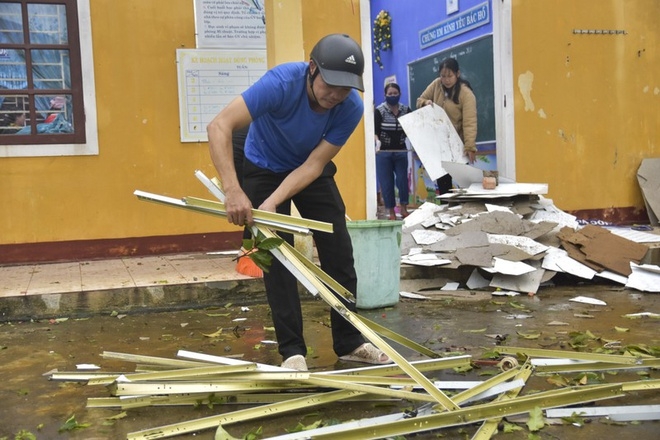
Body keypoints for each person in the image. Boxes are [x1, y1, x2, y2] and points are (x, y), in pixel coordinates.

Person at [207, 33, 391, 371]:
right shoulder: (280, 83)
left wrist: (274, 201)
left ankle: (349, 341)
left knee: (338, 251)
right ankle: (292, 352)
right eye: (330, 85)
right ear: (311, 69)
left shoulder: (350, 108)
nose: (335, 95)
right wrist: (235, 191)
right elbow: (219, 125)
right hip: (262, 165)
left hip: (308, 168)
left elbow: (314, 165)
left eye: (345, 88)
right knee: (279, 256)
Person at [416, 57, 477, 195]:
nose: (446, 80)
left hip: (458, 145)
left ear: (458, 74)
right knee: (443, 185)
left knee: (464, 184)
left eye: (450, 76)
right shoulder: (436, 85)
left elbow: (470, 122)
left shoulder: (466, 93)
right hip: (438, 145)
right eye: (443, 76)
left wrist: (470, 146)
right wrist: (425, 103)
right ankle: (446, 212)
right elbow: (419, 100)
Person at [374, 83, 412, 220]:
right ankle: (391, 212)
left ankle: (404, 209)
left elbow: (412, 129)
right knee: (386, 182)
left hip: (401, 151)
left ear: (400, 94)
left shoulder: (406, 110)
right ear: (385, 95)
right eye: (390, 94)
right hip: (383, 153)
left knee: (402, 180)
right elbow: (375, 131)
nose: (393, 96)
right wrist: (377, 142)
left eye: (395, 93)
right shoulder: (379, 111)